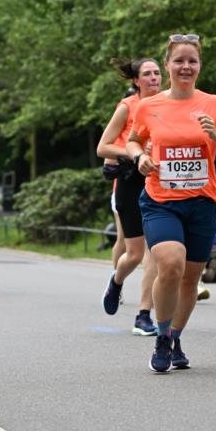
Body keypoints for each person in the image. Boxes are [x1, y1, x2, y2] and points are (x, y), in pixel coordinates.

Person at [126, 33, 216, 373]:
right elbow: (134, 142)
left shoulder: (214, 104)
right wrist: (138, 159)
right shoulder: (150, 105)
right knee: (171, 263)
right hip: (161, 200)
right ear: (167, 64)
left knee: (191, 278)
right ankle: (162, 336)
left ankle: (175, 336)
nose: (186, 66)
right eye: (179, 60)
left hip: (202, 203)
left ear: (200, 66)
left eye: (192, 61)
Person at [97, 57, 162, 335]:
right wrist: (134, 154)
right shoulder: (127, 107)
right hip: (130, 181)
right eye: (147, 74)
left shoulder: (169, 104)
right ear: (136, 80)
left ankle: (144, 314)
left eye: (157, 73)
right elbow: (103, 147)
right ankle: (117, 280)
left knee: (156, 253)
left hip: (160, 182)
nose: (153, 78)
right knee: (134, 254)